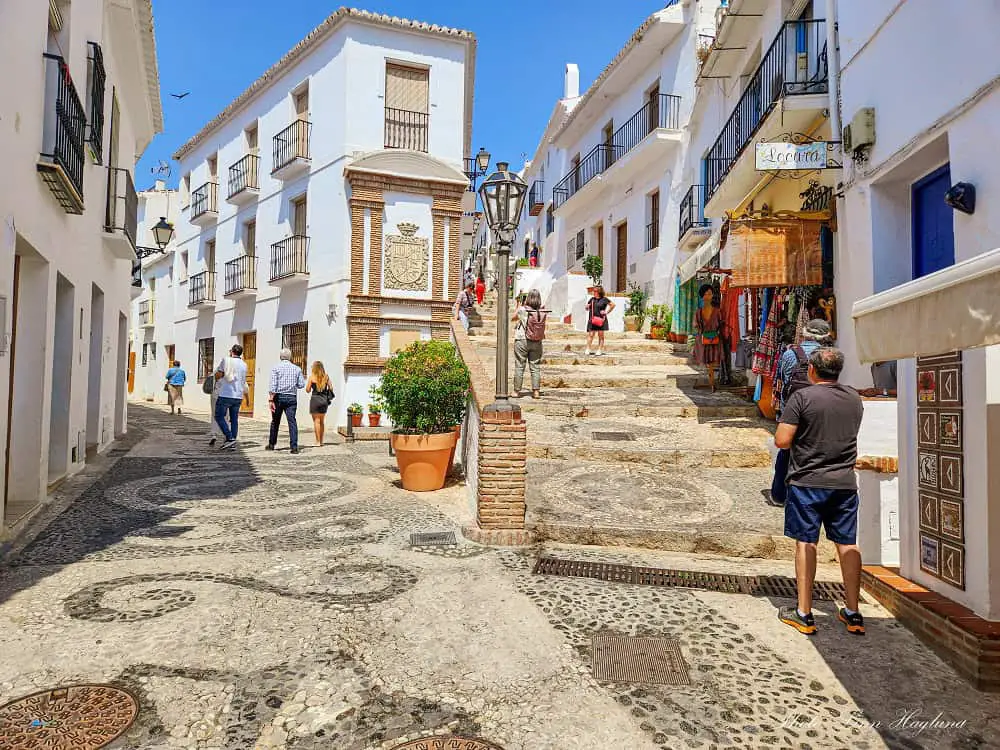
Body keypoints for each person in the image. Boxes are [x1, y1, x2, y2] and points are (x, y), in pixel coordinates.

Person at [774, 347, 865, 637]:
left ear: (812, 370)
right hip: (844, 483)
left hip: (808, 481)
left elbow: (782, 440)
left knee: (806, 543)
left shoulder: (802, 397)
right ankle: (852, 612)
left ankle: (804, 612)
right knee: (847, 544)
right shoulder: (853, 398)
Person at [769, 319, 832, 507]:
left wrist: (780, 411)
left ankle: (779, 494)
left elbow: (780, 382)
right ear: (825, 336)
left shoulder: (789, 354)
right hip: (819, 412)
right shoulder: (828, 356)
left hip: (792, 410)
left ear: (804, 332)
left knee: (786, 452)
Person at [267, 348, 306, 454]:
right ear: (290, 357)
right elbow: (301, 384)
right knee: (292, 422)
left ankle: (271, 444)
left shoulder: (276, 368)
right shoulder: (297, 369)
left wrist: (271, 399)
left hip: (278, 397)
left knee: (275, 421)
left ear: (280, 357)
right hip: (291, 397)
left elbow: (273, 385)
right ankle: (294, 447)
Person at [512, 289, 546, 399]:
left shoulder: (523, 310)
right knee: (535, 366)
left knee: (519, 366)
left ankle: (517, 391)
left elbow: (513, 318)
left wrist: (519, 305)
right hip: (537, 341)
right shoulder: (542, 311)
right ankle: (536, 392)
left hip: (522, 339)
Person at [213, 344, 248, 450]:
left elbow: (218, 374)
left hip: (226, 394)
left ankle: (229, 438)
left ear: (232, 351)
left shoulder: (226, 360)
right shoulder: (244, 364)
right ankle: (232, 444)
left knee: (219, 416)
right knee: (234, 419)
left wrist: (219, 376)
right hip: (238, 395)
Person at [693, 283, 722, 391]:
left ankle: (711, 382)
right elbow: (695, 325)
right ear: (702, 296)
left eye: (709, 294)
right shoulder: (698, 312)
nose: (708, 296)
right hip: (702, 340)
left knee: (711, 364)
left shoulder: (717, 311)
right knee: (705, 362)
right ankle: (710, 382)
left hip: (714, 341)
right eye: (705, 294)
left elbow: (720, 324)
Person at [305, 360, 334, 447]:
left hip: (315, 400)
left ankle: (317, 442)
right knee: (322, 421)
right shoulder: (326, 377)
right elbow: (331, 388)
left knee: (316, 421)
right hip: (324, 401)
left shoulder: (312, 377)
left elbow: (307, 390)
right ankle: (321, 441)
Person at [585, 286, 614, 356]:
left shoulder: (604, 299)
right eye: (593, 291)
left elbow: (612, 305)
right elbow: (587, 308)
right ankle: (588, 349)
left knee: (600, 335)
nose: (593, 292)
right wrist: (587, 307)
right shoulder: (592, 299)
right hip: (592, 319)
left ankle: (599, 350)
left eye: (595, 291)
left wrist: (606, 312)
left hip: (601, 319)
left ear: (599, 292)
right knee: (591, 335)